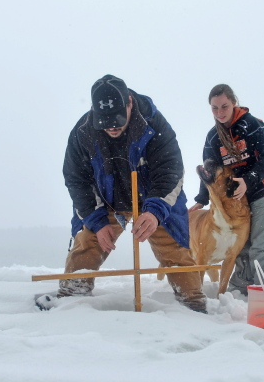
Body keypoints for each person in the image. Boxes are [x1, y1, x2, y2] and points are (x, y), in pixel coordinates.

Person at [43, 74, 207, 312]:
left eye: (117, 119)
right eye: (106, 122)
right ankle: (71, 299)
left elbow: (171, 171)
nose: (112, 126)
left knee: (175, 250)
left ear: (130, 102)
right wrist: (97, 223)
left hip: (153, 197)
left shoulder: (154, 124)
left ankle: (193, 304)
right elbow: (77, 180)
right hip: (108, 201)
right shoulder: (82, 132)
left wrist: (154, 212)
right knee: (88, 243)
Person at [190, 84, 264, 295]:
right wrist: (202, 199)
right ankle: (239, 297)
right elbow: (210, 170)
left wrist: (248, 181)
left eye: (224, 106)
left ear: (234, 103)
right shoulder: (213, 137)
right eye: (215, 108)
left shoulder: (250, 125)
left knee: (262, 248)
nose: (220, 112)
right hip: (240, 199)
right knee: (241, 250)